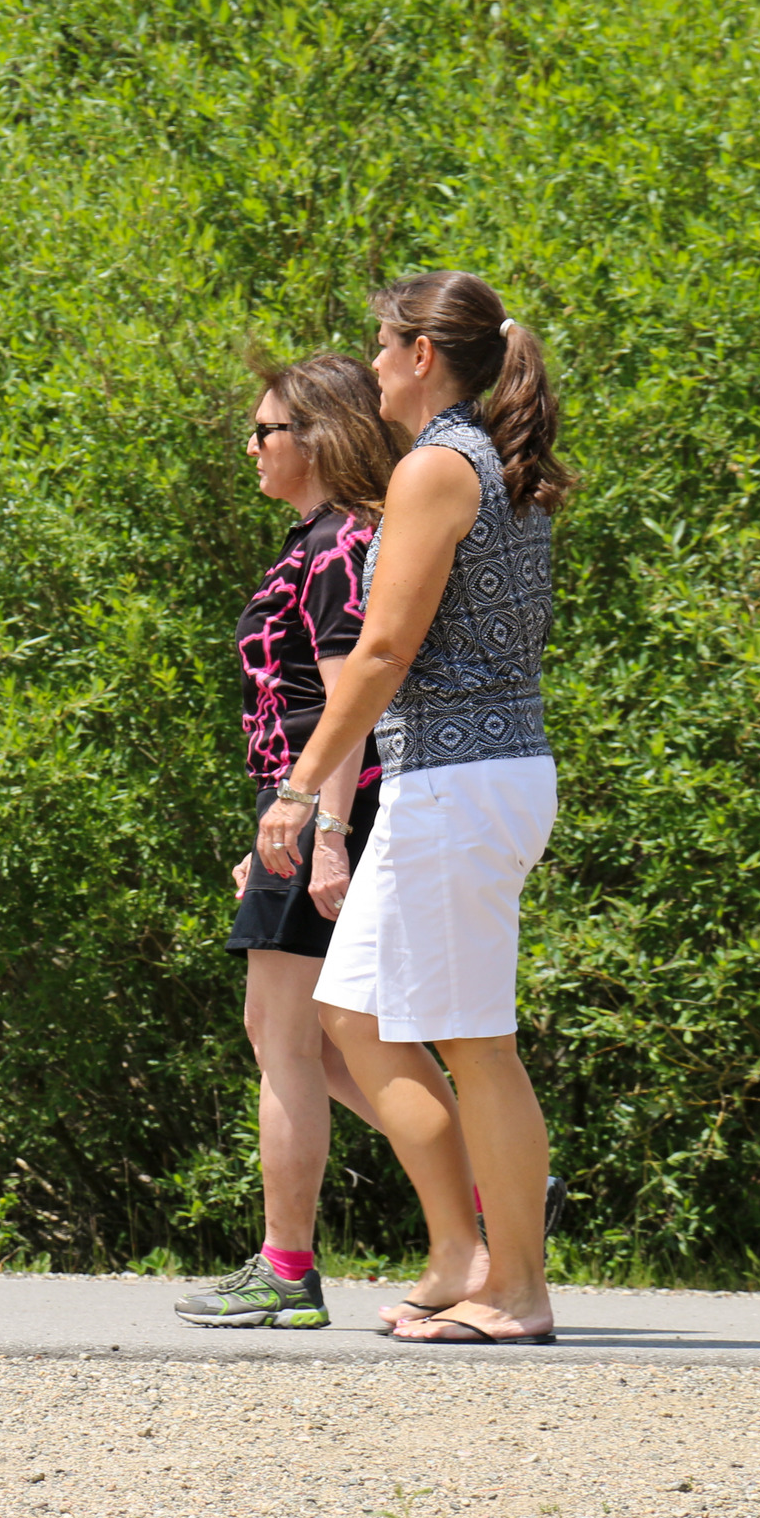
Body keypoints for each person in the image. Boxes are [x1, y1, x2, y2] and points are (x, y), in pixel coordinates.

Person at [254, 270, 572, 1344]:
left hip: (460, 779)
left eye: (383, 347)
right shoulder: (478, 460)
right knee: (351, 1011)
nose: (373, 365)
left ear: (422, 355)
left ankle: (516, 1288)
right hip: (459, 775)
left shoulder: (442, 463)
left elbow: (380, 650)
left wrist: (303, 791)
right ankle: (456, 1254)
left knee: (477, 1040)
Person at [173, 352, 410, 1331]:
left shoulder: (336, 549)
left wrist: (322, 833)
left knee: (282, 1038)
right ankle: (491, 1178)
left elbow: (351, 695)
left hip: (325, 814)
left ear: (314, 434)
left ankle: (286, 1266)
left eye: (266, 430)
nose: (252, 446)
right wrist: (280, 816)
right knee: (308, 1036)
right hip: (302, 810)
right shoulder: (316, 540)